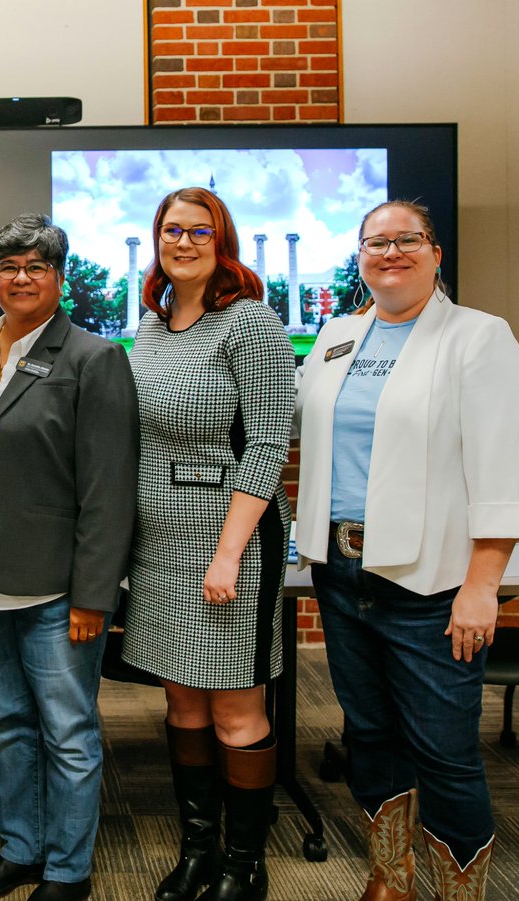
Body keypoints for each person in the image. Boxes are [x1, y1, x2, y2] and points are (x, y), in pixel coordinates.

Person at [295, 200, 519, 901]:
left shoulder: (478, 338)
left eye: (407, 240)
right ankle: (390, 876)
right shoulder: (339, 334)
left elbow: (503, 468)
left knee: (445, 752)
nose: (390, 253)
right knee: (369, 735)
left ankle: (458, 893)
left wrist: (482, 584)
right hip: (341, 574)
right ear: (359, 255)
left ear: (435, 253)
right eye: (376, 242)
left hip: (431, 583)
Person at [0, 213, 139, 901]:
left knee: (69, 731)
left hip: (54, 589)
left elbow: (108, 489)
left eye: (37, 266)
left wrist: (93, 595)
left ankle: (68, 869)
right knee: (12, 722)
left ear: (60, 277)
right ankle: (22, 847)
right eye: (10, 265)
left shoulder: (92, 358)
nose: (21, 277)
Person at [123, 187, 295, 901]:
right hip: (159, 542)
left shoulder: (250, 323)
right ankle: (198, 849)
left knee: (235, 708)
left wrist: (228, 554)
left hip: (233, 542)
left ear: (222, 241)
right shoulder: (153, 328)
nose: (183, 241)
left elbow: (267, 444)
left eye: (200, 230)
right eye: (172, 229)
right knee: (183, 703)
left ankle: (243, 862)